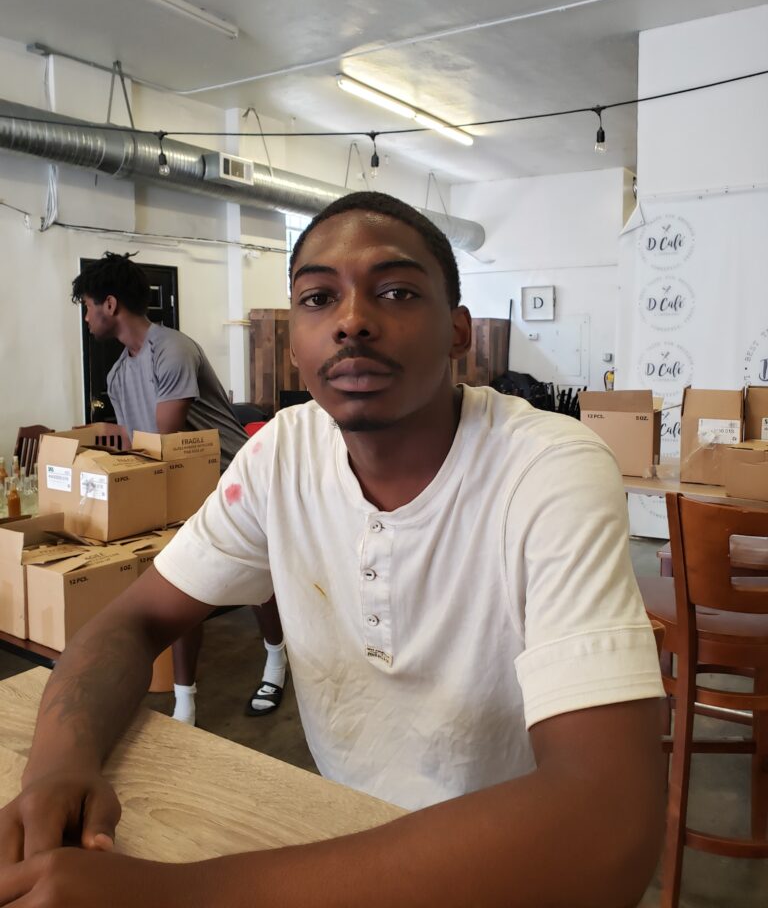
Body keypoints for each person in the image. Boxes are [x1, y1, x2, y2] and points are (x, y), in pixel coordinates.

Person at [0, 193, 665, 907]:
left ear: (458, 332)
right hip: (336, 839)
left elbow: (607, 825)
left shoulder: (548, 467)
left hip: (514, 870)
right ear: (296, 344)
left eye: (397, 291)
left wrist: (169, 898)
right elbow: (133, 620)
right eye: (319, 298)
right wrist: (58, 768)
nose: (351, 320)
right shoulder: (281, 453)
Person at [70, 253, 288, 725]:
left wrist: (117, 442)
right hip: (176, 484)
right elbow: (140, 450)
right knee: (183, 578)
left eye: (88, 307)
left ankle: (276, 659)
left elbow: (164, 440)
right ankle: (185, 703)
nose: (86, 318)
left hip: (231, 479)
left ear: (110, 305)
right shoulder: (116, 374)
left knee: (257, 582)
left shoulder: (172, 349)